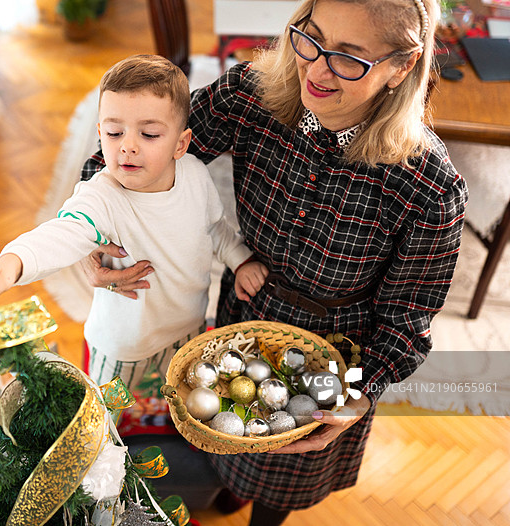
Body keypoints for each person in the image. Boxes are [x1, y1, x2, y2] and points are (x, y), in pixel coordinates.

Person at [79, 0, 467, 524]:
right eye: (311, 37)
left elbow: (405, 325)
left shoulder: (430, 187)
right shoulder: (250, 94)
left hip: (331, 358)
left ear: (401, 66)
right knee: (224, 431)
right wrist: (96, 225)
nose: (315, 68)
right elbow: (141, 141)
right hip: (245, 306)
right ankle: (230, 486)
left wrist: (355, 396)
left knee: (280, 486)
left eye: (349, 58)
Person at [0, 54, 269, 391]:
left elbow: (215, 229)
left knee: (183, 399)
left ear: (181, 144)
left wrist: (241, 260)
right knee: (104, 418)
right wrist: (8, 266)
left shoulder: (194, 173)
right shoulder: (102, 197)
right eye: (114, 132)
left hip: (187, 329)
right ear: (100, 133)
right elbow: (61, 235)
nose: (128, 146)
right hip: (121, 344)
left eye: (149, 134)